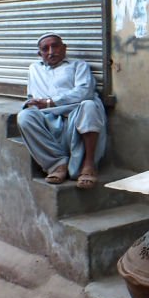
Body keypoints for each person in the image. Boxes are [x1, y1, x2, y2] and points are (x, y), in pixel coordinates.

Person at [16, 34, 107, 189]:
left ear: (64, 48)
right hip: (47, 113)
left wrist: (50, 102)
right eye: (45, 49)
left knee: (90, 105)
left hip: (75, 110)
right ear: (40, 54)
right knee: (24, 117)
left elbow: (85, 91)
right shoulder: (34, 69)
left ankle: (89, 164)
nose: (51, 51)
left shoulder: (79, 65)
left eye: (55, 46)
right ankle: (58, 164)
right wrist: (33, 104)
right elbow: (31, 96)